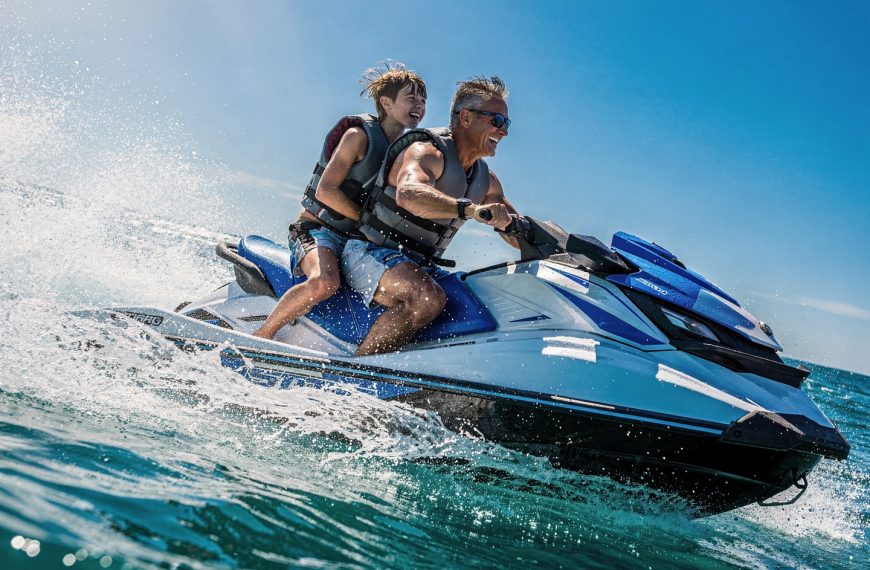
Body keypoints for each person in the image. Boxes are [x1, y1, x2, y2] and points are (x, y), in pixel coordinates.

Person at [342, 76, 519, 356]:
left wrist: (568, 252)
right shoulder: (428, 151)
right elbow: (409, 192)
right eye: (497, 120)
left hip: (416, 264)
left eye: (506, 123)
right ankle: (359, 371)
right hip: (368, 251)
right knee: (426, 297)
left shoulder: (487, 181)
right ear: (466, 118)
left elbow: (515, 228)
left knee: (475, 296)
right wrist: (469, 209)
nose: (504, 131)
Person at [254, 63, 426, 340]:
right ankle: (262, 335)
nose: (420, 104)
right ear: (386, 102)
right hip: (317, 230)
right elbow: (325, 191)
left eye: (423, 99)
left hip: (356, 243)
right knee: (325, 282)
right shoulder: (357, 136)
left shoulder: (408, 153)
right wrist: (368, 220)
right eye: (412, 97)